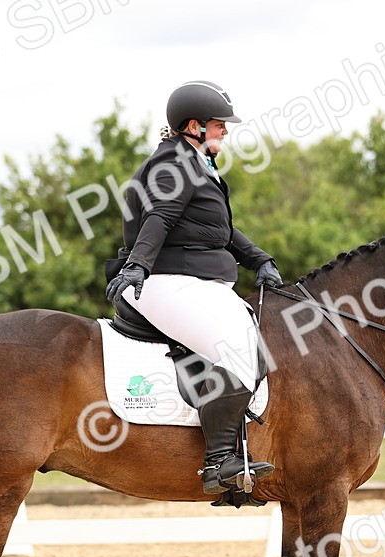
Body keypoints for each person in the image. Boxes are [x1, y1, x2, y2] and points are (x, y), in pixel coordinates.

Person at [106, 80, 283, 495]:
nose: (226, 130)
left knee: (254, 347)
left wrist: (259, 259)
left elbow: (219, 230)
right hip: (166, 281)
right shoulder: (175, 163)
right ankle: (219, 462)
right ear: (194, 125)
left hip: (195, 281)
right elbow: (161, 218)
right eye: (219, 124)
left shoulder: (198, 162)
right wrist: (137, 267)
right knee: (240, 353)